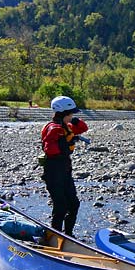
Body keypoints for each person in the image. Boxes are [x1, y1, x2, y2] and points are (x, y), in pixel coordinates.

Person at [40, 95, 88, 236]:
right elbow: (50, 150)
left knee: (74, 204)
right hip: (53, 172)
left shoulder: (66, 126)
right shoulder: (53, 128)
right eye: (71, 113)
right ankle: (55, 235)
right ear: (63, 113)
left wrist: (73, 120)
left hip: (65, 170)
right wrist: (65, 140)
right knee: (60, 206)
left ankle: (68, 235)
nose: (73, 115)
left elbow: (83, 128)